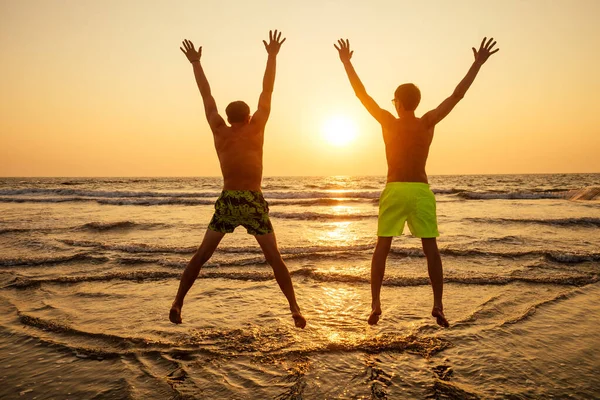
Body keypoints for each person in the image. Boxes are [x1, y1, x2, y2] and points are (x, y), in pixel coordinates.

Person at [334, 37, 499, 327]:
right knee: (430, 249)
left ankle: (375, 303)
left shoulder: (388, 121)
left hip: (395, 189)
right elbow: (457, 94)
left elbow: (362, 95)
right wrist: (477, 64)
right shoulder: (428, 122)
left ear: (397, 102)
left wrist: (347, 62)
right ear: (417, 102)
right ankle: (438, 304)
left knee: (381, 247)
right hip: (421, 190)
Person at [170, 30, 306, 329]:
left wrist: (196, 63)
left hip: (229, 199)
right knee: (275, 259)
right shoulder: (256, 128)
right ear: (248, 117)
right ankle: (294, 308)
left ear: (229, 117)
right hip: (253, 200)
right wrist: (271, 56)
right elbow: (267, 92)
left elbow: (207, 97)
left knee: (202, 255)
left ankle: (179, 301)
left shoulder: (219, 130)